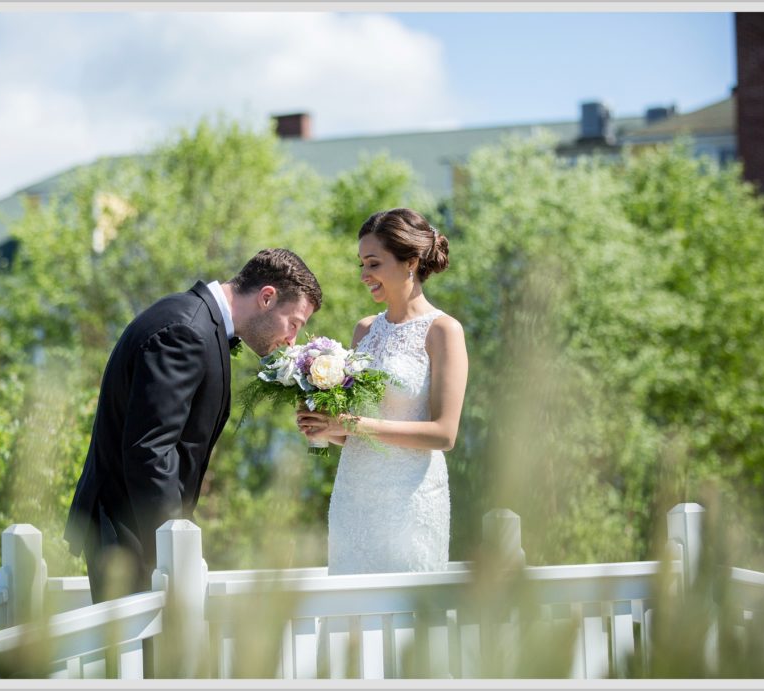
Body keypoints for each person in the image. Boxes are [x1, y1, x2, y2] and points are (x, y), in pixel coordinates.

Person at [65, 249, 322, 603]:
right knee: (145, 659)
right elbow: (150, 452)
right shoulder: (185, 331)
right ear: (267, 297)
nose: (293, 339)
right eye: (294, 323)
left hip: (138, 532)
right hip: (131, 537)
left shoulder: (196, 321)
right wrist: (174, 548)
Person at [297, 208, 469, 575]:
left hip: (411, 500)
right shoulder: (364, 331)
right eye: (361, 264)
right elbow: (360, 432)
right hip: (354, 496)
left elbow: (444, 434)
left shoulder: (443, 331)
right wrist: (329, 429)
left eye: (373, 263)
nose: (364, 276)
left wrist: (353, 424)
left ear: (410, 262)